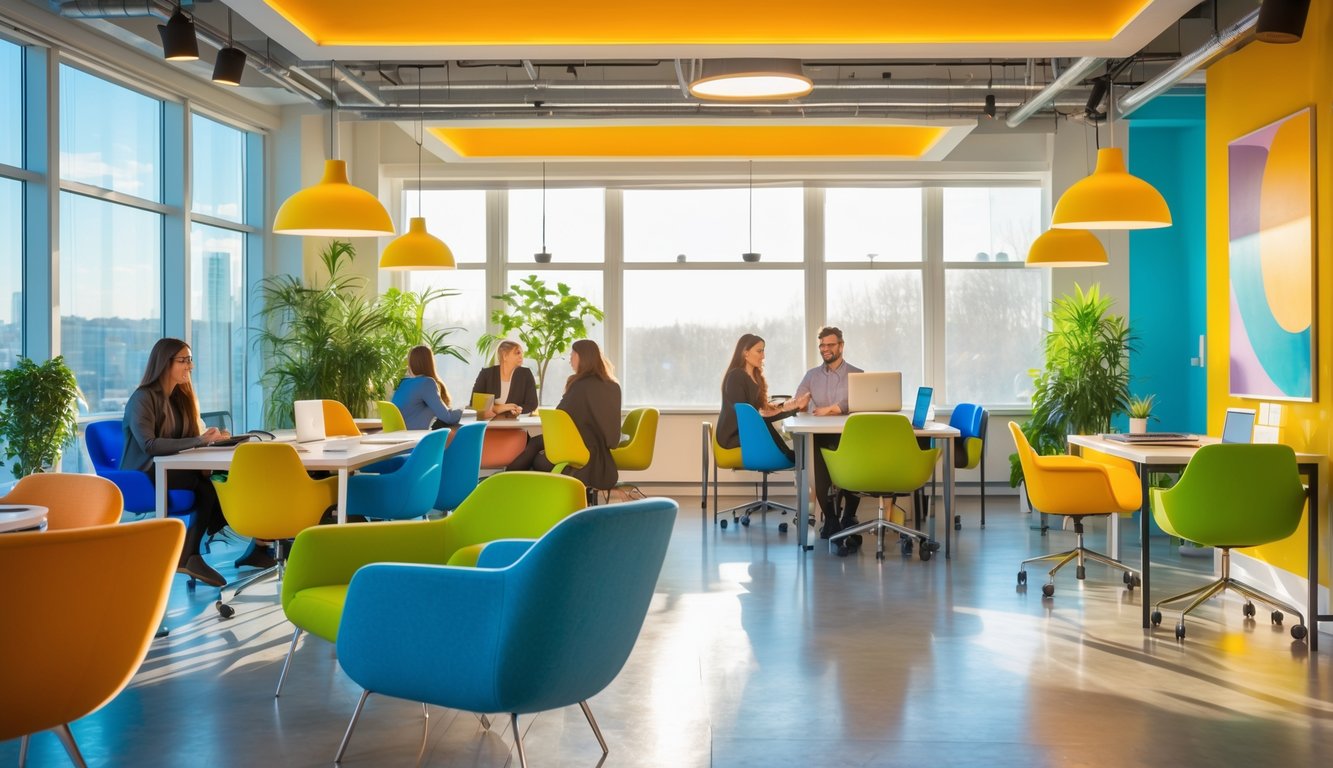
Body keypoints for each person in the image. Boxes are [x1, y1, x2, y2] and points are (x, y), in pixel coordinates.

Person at [121, 338, 235, 588]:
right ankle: (189, 555)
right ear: (164, 363)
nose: (190, 366)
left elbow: (188, 440)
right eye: (184, 360)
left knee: (215, 479)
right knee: (206, 484)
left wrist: (212, 440)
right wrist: (199, 441)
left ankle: (191, 554)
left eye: (190, 360)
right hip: (143, 474)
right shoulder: (143, 397)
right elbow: (149, 445)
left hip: (170, 468)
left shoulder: (180, 397)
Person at [506, 339, 621, 492]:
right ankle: (507, 482)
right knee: (534, 443)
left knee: (534, 449)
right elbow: (612, 439)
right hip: (597, 453)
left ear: (582, 357)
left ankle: (503, 482)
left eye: (572, 355)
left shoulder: (579, 385)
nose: (569, 360)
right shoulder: (613, 386)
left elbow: (560, 416)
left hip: (578, 452)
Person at [793, 326, 864, 540]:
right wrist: (801, 404)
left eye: (830, 345)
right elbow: (800, 401)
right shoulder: (811, 375)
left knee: (856, 461)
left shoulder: (857, 375)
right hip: (821, 435)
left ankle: (849, 516)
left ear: (841, 346)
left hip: (849, 436)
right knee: (815, 458)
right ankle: (831, 519)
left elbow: (864, 402)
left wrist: (835, 407)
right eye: (822, 345)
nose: (825, 349)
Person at [716, 333, 808, 463]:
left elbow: (763, 412)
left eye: (763, 351)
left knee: (766, 425)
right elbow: (747, 415)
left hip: (748, 431)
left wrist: (792, 408)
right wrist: (788, 410)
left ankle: (791, 456)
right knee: (763, 425)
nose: (763, 356)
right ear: (745, 353)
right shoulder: (736, 376)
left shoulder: (756, 377)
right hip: (734, 436)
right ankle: (790, 456)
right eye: (759, 351)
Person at [391, 345, 463, 430]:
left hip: (398, 434)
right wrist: (462, 410)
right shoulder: (426, 383)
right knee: (460, 429)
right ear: (430, 363)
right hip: (414, 435)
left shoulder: (404, 383)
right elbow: (448, 417)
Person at [471, 339, 539, 418]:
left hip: (515, 423)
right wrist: (497, 408)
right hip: (488, 423)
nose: (521, 356)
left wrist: (520, 409)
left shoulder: (525, 374)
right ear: (504, 356)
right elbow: (475, 402)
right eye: (517, 353)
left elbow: (532, 404)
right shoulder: (487, 373)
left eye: (522, 353)